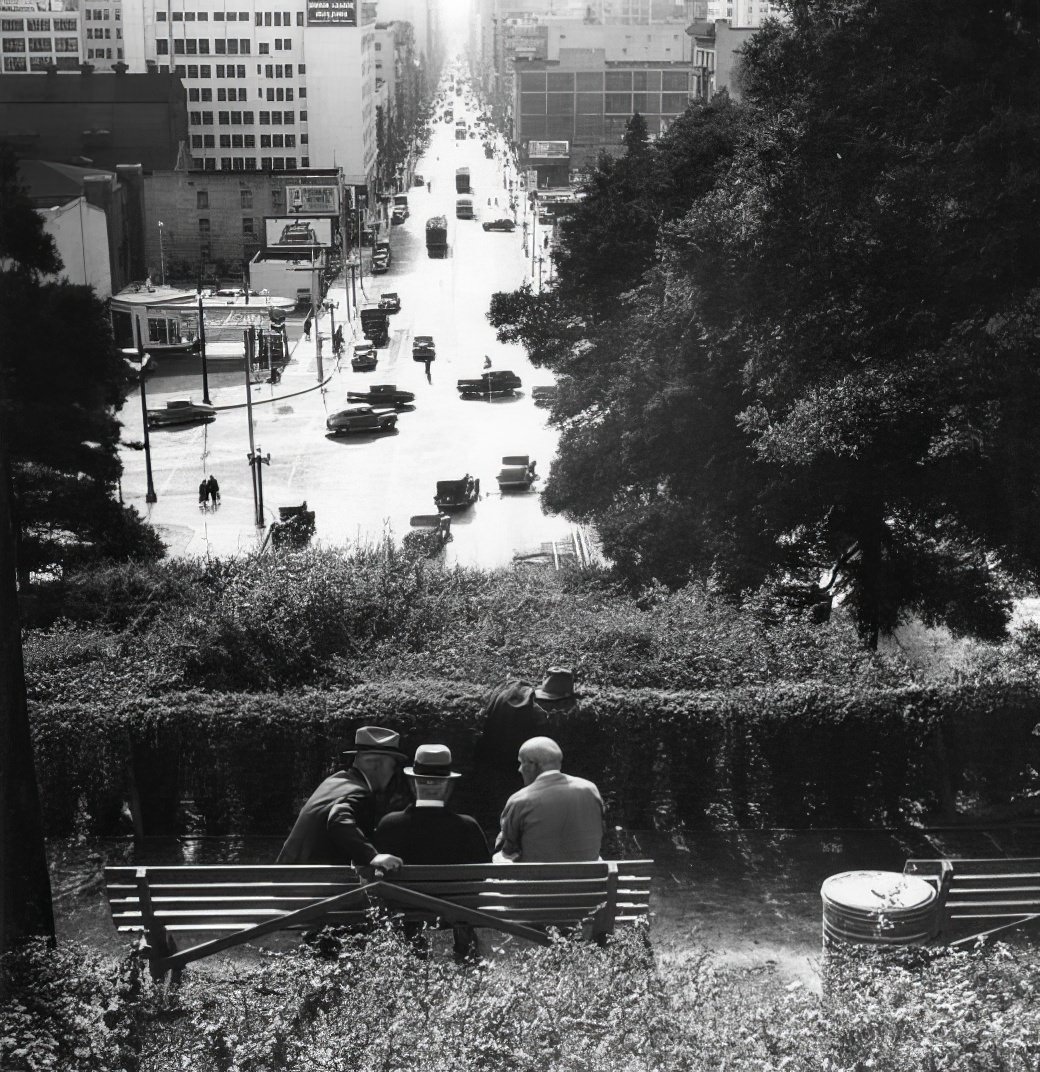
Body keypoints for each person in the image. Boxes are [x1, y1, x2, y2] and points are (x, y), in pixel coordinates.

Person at [376, 744, 490, 962]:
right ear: (448, 785)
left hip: (407, 911)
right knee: (461, 906)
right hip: (457, 911)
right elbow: (482, 874)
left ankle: (413, 950)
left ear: (412, 782)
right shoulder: (469, 827)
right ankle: (465, 948)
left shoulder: (389, 825)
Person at [277, 725, 407, 871]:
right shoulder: (360, 792)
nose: (393, 773)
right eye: (393, 766)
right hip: (311, 886)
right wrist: (372, 856)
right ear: (378, 764)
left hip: (288, 880)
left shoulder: (334, 781)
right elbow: (338, 817)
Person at [494, 737, 603, 863]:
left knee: (500, 858)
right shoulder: (590, 789)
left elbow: (508, 849)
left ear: (532, 764)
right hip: (589, 879)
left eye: (521, 762)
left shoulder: (520, 799)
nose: (519, 769)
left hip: (538, 881)